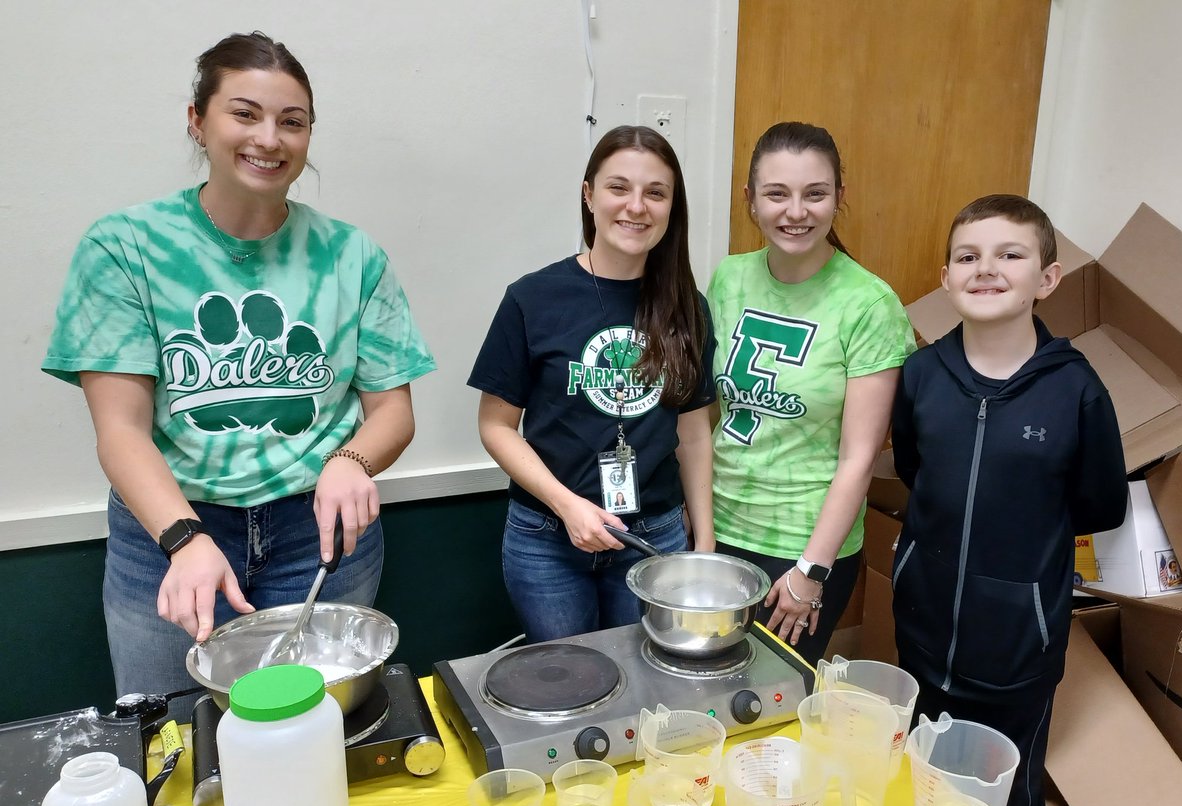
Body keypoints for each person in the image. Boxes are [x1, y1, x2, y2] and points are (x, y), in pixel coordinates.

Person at [43, 32, 435, 715]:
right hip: (168, 534)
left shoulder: (353, 256)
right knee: (168, 740)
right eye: (245, 113)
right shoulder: (125, 247)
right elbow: (121, 432)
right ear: (197, 120)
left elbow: (392, 412)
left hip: (317, 538)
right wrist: (184, 538)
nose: (270, 138)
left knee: (308, 733)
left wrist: (351, 459)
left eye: (293, 121)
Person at [890, 194, 1127, 806]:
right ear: (945, 279)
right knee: (924, 790)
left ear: (1047, 279)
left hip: (1019, 644)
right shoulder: (921, 375)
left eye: (1009, 255)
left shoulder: (1076, 390)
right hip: (923, 629)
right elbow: (915, 468)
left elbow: (1102, 506)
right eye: (968, 256)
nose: (985, 269)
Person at [469, 125, 715, 642]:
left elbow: (692, 434)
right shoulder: (533, 298)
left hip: (655, 535)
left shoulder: (688, 307)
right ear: (589, 194)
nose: (636, 206)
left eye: (656, 193)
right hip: (548, 538)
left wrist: (705, 547)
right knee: (572, 683)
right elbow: (496, 426)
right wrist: (566, 504)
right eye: (618, 187)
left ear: (673, 207)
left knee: (647, 687)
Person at [707, 122, 915, 669]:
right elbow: (708, 412)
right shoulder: (728, 278)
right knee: (698, 698)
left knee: (767, 713)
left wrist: (811, 571)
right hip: (717, 527)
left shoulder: (870, 304)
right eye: (777, 193)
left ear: (839, 199)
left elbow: (859, 457)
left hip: (801, 546)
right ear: (749, 200)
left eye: (815, 194)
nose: (795, 211)